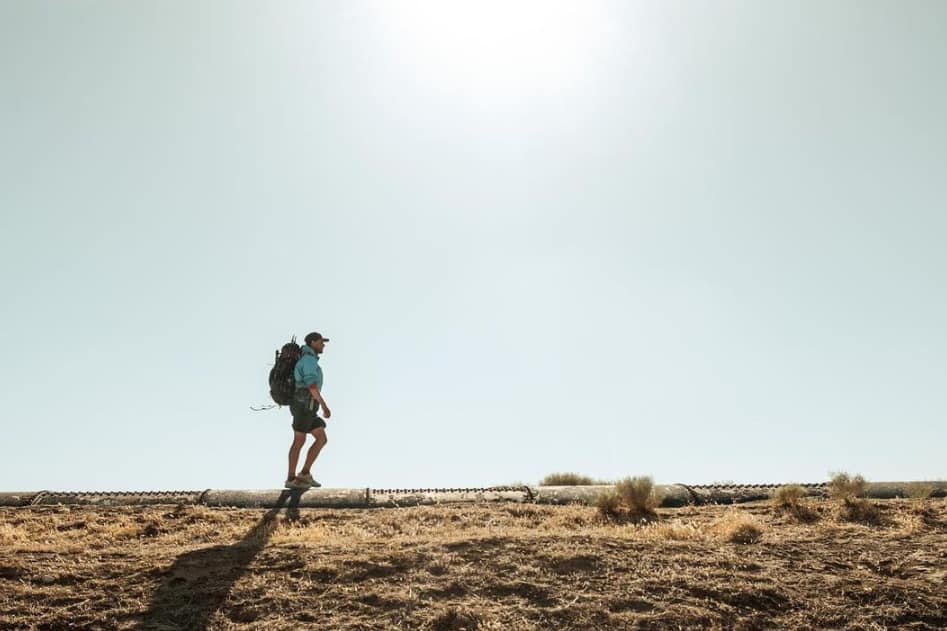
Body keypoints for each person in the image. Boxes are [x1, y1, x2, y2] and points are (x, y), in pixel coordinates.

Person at [285, 331, 332, 489]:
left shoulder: (309, 360)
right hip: (303, 406)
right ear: (312, 343)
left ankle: (304, 474)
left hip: (308, 407)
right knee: (299, 440)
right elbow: (311, 386)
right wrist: (325, 406)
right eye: (320, 342)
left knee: (321, 438)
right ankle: (291, 478)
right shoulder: (309, 361)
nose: (323, 345)